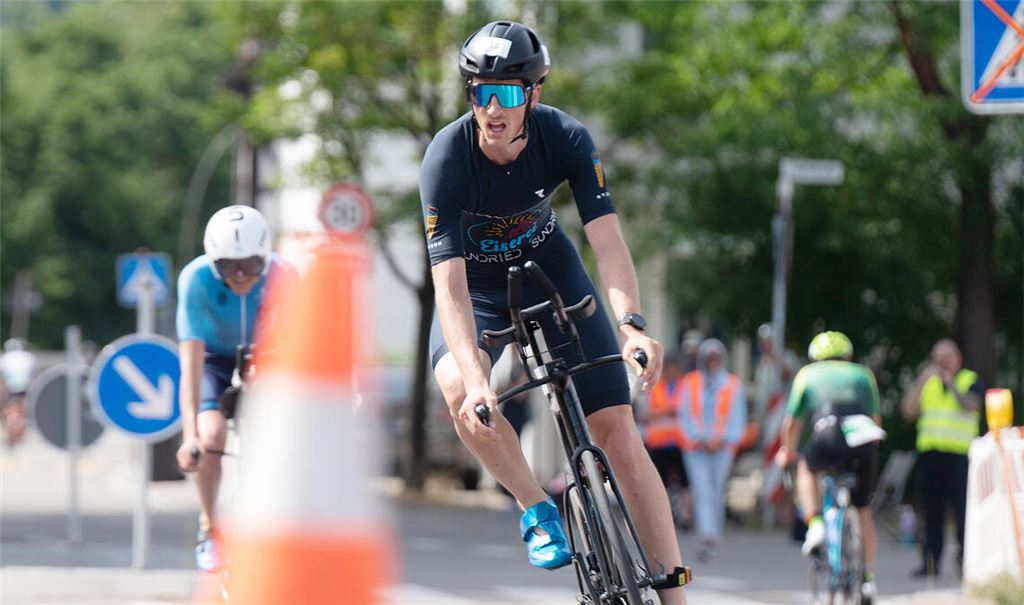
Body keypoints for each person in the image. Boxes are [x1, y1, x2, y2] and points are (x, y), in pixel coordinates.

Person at [419, 20, 688, 601]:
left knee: (617, 429)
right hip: (479, 290)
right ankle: (537, 508)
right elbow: (450, 289)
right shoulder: (445, 158)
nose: (492, 107)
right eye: (480, 91)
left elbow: (609, 242)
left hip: (552, 272)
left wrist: (632, 325)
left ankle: (674, 593)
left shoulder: (565, 136)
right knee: (464, 399)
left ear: (532, 95)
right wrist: (477, 380)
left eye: (508, 92)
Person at [174, 205, 296, 573]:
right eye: (229, 266)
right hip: (213, 358)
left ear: (266, 256)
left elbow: (297, 345)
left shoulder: (285, 275)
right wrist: (189, 436)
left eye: (252, 265)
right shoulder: (194, 279)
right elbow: (190, 363)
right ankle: (210, 527)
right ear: (214, 263)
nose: (242, 275)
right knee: (211, 435)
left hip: (267, 352)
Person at [775, 331, 884, 599]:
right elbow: (876, 419)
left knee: (807, 468)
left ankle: (815, 525)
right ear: (847, 354)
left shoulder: (807, 374)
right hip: (863, 436)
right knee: (864, 512)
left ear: (815, 356)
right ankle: (868, 578)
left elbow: (792, 424)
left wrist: (788, 452)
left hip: (828, 433)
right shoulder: (863, 374)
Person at [901, 338, 982, 578]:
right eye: (938, 359)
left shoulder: (970, 379)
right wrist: (919, 382)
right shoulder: (928, 382)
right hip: (930, 454)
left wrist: (952, 384)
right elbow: (908, 410)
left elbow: (972, 405)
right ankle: (930, 561)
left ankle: (966, 562)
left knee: (963, 512)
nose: (942, 364)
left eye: (947, 358)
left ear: (958, 359)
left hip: (959, 456)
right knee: (931, 511)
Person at [678, 338, 746, 561]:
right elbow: (685, 414)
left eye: (716, 358)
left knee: (717, 491)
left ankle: (714, 533)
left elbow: (737, 417)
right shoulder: (691, 382)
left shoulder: (732, 384)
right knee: (703, 491)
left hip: (722, 448)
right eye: (709, 358)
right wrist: (700, 438)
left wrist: (721, 439)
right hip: (696, 448)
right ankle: (707, 535)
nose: (712, 362)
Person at [639, 351, 692, 530]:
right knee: (659, 482)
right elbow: (645, 413)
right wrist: (667, 411)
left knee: (685, 483)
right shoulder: (654, 387)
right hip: (659, 442)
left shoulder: (685, 386)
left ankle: (685, 517)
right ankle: (661, 516)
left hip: (680, 442)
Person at [0, 338, 36, 447]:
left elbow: (2, 378)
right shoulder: (29, 357)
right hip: (25, 388)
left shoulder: (4, 358)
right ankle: (21, 431)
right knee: (24, 411)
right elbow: (33, 375)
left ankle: (11, 427)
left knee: (8, 409)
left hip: (11, 389)